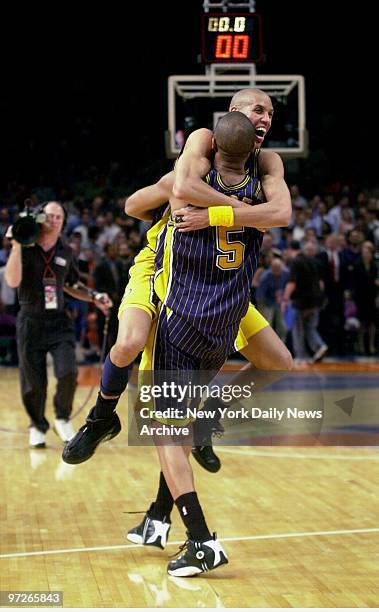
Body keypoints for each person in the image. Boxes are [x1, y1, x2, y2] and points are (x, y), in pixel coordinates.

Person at [62, 88, 292, 471]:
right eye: (256, 110)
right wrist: (173, 205)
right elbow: (145, 201)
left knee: (278, 361)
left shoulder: (265, 163)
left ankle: (209, 414)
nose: (265, 118)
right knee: (131, 343)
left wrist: (218, 214)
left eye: (269, 112)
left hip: (218, 283)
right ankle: (102, 417)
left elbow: (281, 213)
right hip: (162, 268)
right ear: (230, 116)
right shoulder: (202, 144)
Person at [129, 111, 290, 576]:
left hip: (183, 318)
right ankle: (157, 520)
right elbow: (276, 214)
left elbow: (163, 193)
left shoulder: (190, 185)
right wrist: (243, 213)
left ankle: (199, 539)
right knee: (179, 427)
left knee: (164, 428)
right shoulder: (260, 194)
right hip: (225, 326)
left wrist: (212, 212)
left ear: (210, 150)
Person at [4, 201, 113, 448]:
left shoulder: (65, 249)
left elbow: (72, 284)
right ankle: (37, 426)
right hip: (30, 320)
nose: (54, 221)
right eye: (50, 216)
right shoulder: (26, 243)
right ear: (41, 218)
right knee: (33, 382)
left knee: (68, 372)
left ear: (63, 222)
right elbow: (12, 281)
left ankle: (62, 418)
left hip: (59, 321)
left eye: (59, 217)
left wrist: (95, 297)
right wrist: (16, 244)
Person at [282, 241, 327, 364]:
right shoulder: (313, 261)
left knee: (298, 329)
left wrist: (285, 299)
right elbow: (320, 282)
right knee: (310, 327)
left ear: (290, 249)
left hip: (301, 301)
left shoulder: (295, 262)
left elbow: (292, 282)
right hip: (315, 299)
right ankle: (319, 346)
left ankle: (301, 356)